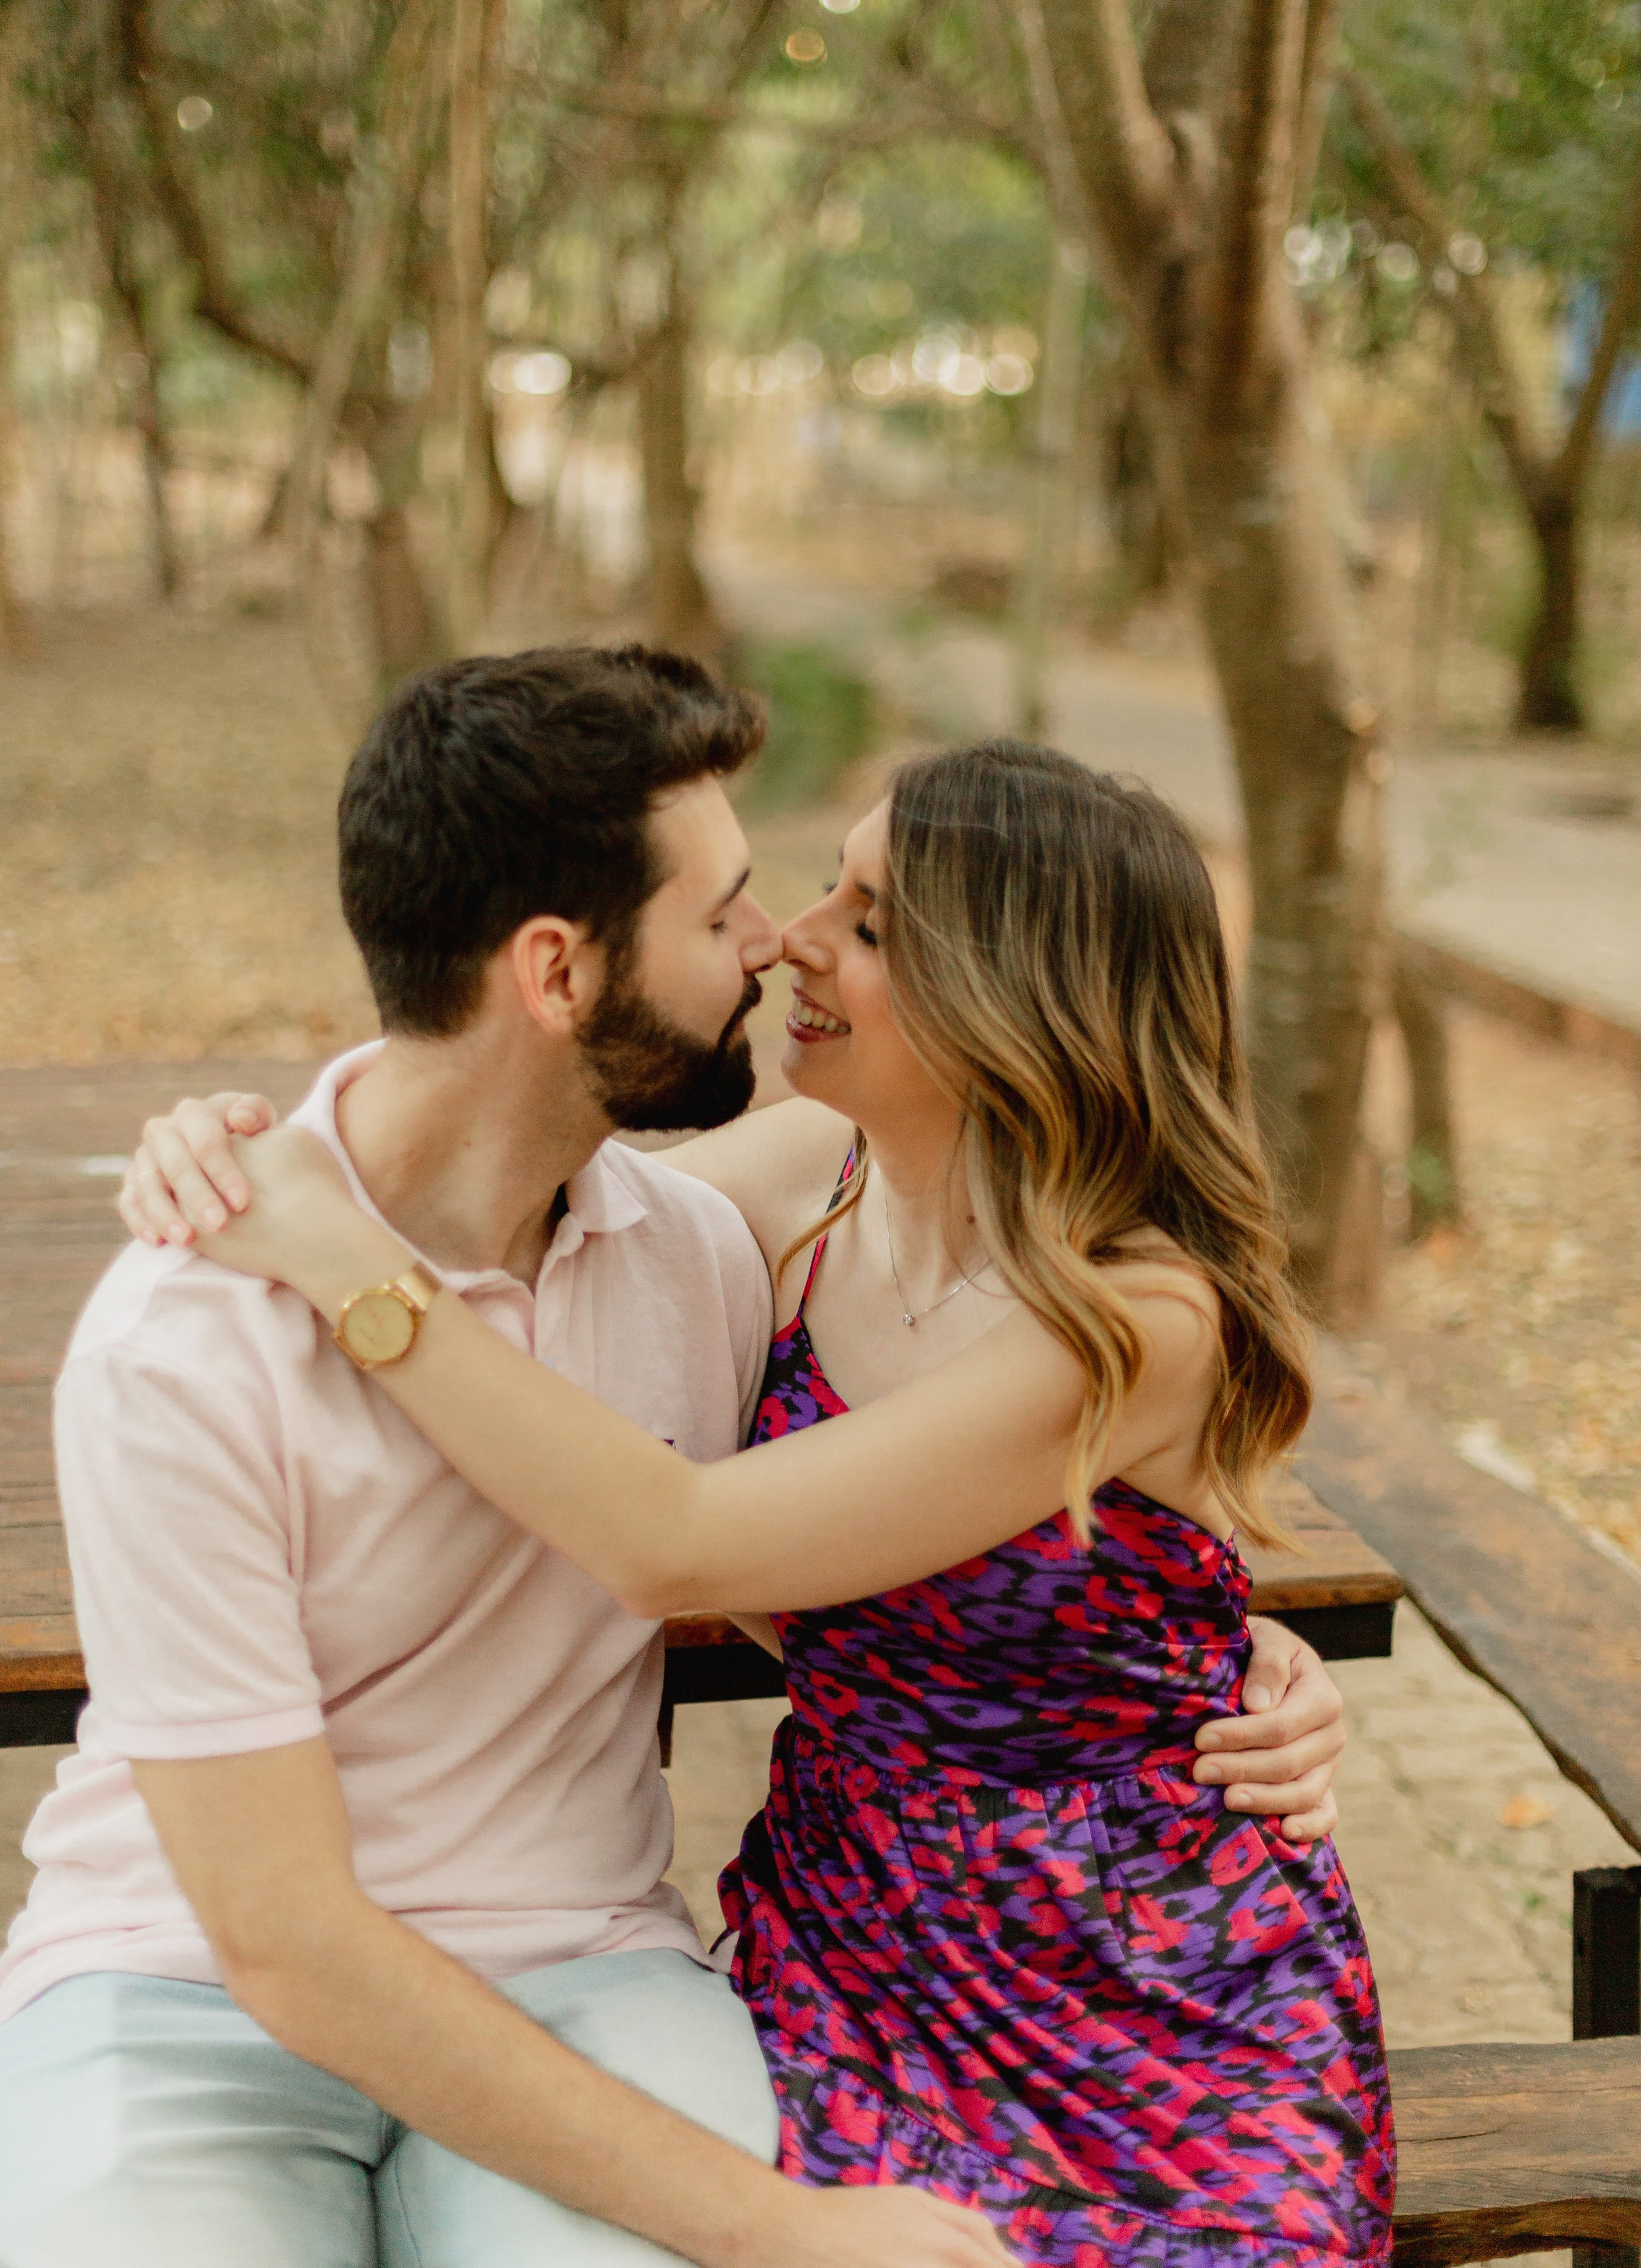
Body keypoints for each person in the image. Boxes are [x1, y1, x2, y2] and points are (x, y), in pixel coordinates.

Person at [0, 653, 1340, 2268]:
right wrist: (266, 1185)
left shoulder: (715, 1257)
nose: (782, 945)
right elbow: (285, 1935)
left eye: (851, 915)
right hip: (215, 1976)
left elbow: (700, 1539)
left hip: (995, 1978)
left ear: (1010, 993)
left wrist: (1192, 1663)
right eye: (738, 912)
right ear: (561, 973)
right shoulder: (209, 1328)